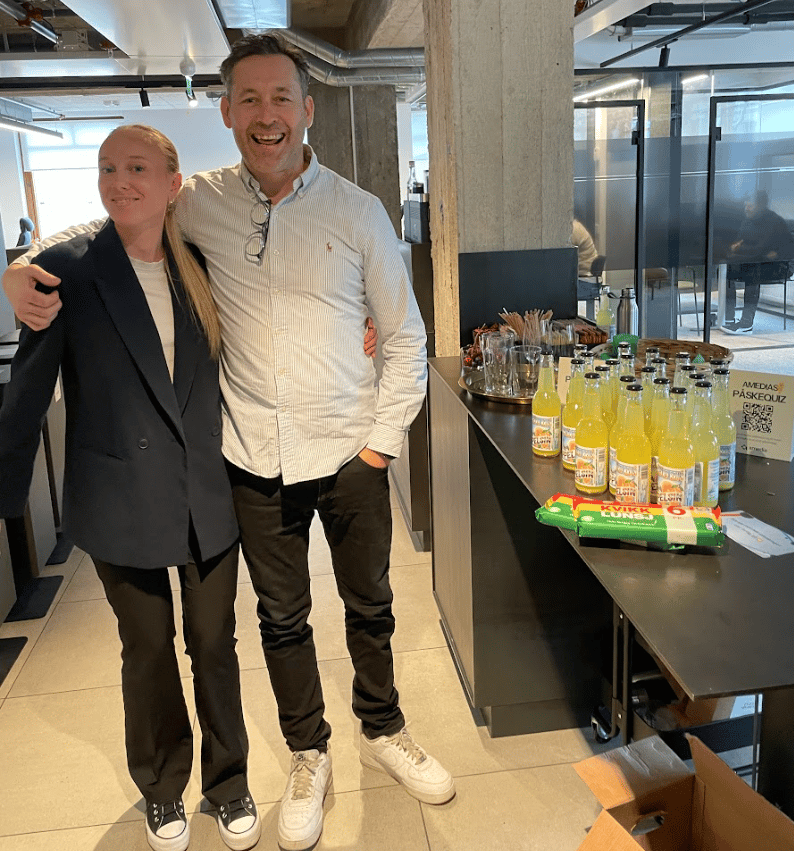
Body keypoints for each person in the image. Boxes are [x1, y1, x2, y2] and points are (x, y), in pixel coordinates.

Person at [3, 33, 454, 851]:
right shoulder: (201, 199)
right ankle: (308, 753)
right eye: (248, 99)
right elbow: (118, 212)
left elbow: (404, 339)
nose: (266, 114)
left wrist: (381, 449)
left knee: (371, 608)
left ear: (308, 110)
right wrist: (22, 264)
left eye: (281, 97)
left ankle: (384, 729)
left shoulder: (358, 211)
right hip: (252, 460)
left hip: (352, 451)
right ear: (227, 113)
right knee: (281, 620)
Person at [0, 126, 261, 851]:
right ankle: (162, 786)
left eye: (138, 167)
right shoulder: (66, 270)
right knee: (146, 646)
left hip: (206, 492)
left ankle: (229, 780)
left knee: (214, 640)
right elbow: (27, 392)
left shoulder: (202, 263)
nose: (120, 181)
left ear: (173, 182)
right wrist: (4, 492)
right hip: (118, 497)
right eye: (108, 168)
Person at [721, 190, 794, 334]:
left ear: (761, 205)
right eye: (746, 205)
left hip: (780, 265)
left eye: (750, 205)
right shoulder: (748, 221)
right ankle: (729, 319)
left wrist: (743, 248)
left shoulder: (773, 221)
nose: (746, 208)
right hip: (760, 261)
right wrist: (740, 247)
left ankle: (746, 324)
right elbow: (741, 244)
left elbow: (760, 249)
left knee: (752, 270)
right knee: (727, 271)